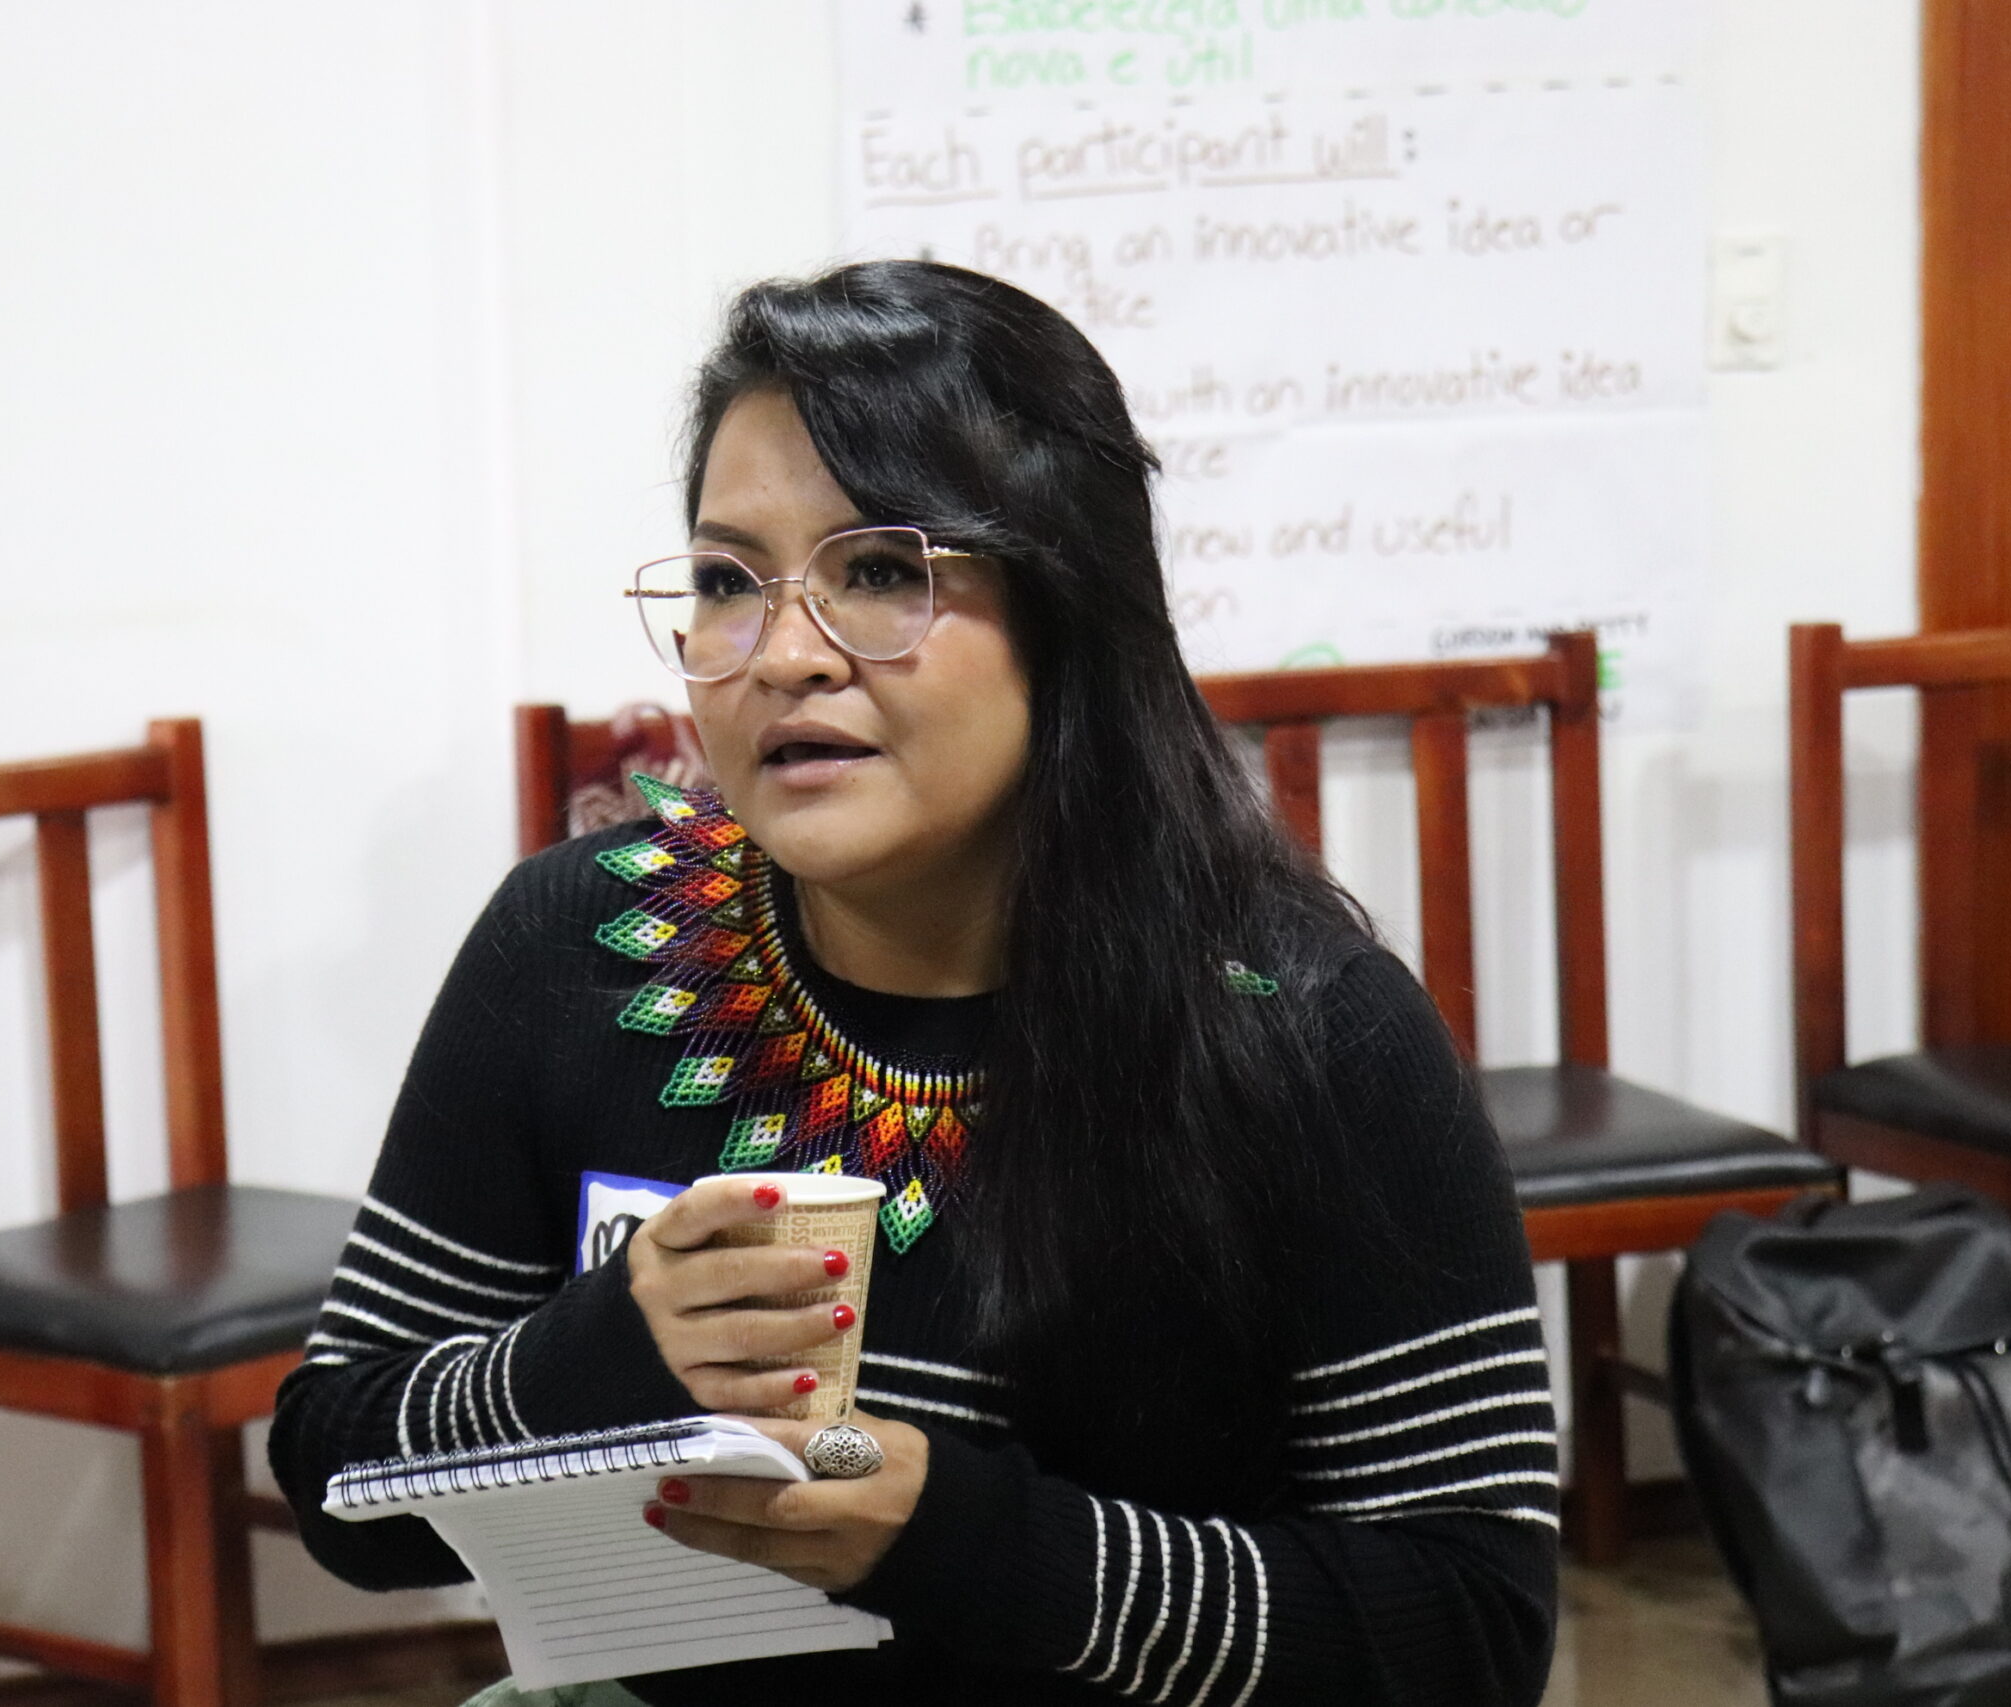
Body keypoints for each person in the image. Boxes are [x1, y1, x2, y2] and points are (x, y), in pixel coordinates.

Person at [269, 260, 1559, 1707]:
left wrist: (956, 1537)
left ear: (1065, 605)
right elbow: (338, 1480)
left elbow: (1468, 1637)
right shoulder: (580, 941)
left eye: (881, 573)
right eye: (726, 584)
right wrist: (597, 1360)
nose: (787, 656)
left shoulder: (1301, 1030)